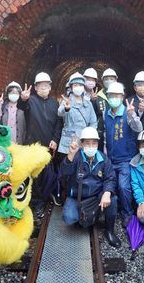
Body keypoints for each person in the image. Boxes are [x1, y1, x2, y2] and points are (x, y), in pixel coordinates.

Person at [61, 127, 122, 248]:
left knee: (113, 199)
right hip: (77, 197)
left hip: (96, 196)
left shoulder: (103, 159)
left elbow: (110, 178)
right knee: (69, 218)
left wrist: (107, 192)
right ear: (82, 144)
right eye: (87, 143)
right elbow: (64, 173)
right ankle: (83, 217)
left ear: (97, 144)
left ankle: (109, 231)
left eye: (94, 143)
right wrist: (70, 156)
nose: (91, 146)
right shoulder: (76, 156)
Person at [18, 72, 63, 218]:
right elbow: (22, 106)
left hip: (48, 145)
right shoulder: (30, 101)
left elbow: (58, 123)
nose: (44, 88)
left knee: (47, 175)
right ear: (35, 88)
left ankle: (44, 198)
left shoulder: (54, 103)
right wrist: (23, 99)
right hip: (33, 145)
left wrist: (55, 139)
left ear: (50, 87)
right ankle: (36, 203)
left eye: (46, 86)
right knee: (35, 176)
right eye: (41, 86)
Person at [103, 82, 143, 227]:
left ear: (122, 96)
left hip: (126, 159)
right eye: (111, 95)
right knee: (108, 185)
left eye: (116, 95)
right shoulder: (105, 113)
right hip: (110, 159)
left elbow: (138, 128)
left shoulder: (128, 112)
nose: (113, 98)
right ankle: (110, 211)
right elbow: (106, 138)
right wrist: (106, 156)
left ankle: (127, 213)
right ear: (107, 97)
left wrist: (132, 115)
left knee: (124, 186)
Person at [56, 72, 98, 205]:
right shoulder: (66, 100)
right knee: (66, 170)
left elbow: (93, 121)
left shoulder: (88, 103)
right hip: (69, 141)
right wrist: (66, 108)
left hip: (84, 142)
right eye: (75, 85)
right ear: (71, 86)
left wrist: (90, 137)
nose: (78, 87)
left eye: (80, 84)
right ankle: (63, 195)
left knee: (81, 169)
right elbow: (60, 112)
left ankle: (79, 194)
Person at [92, 68, 117, 151]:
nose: (109, 81)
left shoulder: (120, 96)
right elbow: (93, 115)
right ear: (102, 81)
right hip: (101, 131)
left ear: (116, 80)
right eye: (106, 79)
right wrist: (92, 101)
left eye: (111, 79)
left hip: (116, 129)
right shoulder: (98, 97)